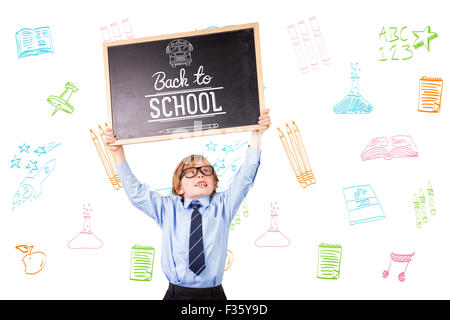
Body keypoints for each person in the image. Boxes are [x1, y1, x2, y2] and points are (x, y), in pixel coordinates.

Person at [103, 109, 271, 300]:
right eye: (190, 172)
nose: (199, 174)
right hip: (176, 294)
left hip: (213, 296)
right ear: (179, 187)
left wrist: (257, 134)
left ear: (215, 183)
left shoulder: (223, 205)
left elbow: (246, 176)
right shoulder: (168, 209)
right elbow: (136, 193)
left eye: (206, 170)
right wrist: (117, 153)